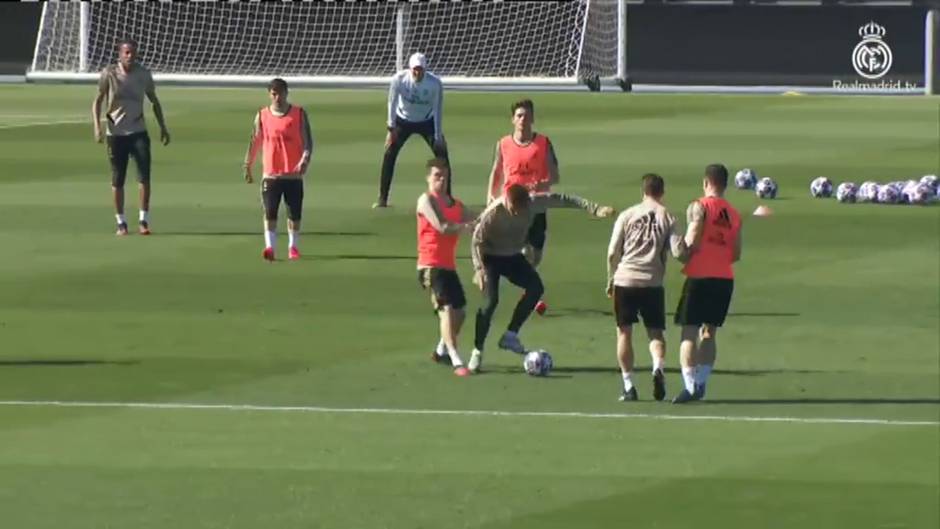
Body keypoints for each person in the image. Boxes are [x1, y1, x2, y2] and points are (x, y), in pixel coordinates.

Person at [468, 184, 615, 373]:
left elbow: (564, 199)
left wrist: (595, 208)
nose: (516, 214)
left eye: (520, 210)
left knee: (536, 288)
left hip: (512, 255)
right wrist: (479, 269)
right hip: (490, 257)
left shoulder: (535, 202)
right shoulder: (494, 212)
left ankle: (511, 335)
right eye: (513, 210)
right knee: (490, 302)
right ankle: (477, 351)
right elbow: (476, 241)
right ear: (507, 201)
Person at [606, 173, 688, 402]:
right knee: (655, 333)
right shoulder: (668, 216)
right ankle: (657, 367)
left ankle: (629, 385)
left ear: (643, 191)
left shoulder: (627, 215)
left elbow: (613, 252)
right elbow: (679, 252)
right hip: (652, 282)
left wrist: (610, 279)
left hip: (625, 279)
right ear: (662, 192)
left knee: (624, 332)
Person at [671, 164, 743, 404]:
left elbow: (690, 241)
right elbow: (736, 254)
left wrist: (679, 250)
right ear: (725, 184)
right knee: (709, 332)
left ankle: (689, 385)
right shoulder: (733, 214)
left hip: (700, 275)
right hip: (724, 277)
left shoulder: (699, 206)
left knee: (689, 331)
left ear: (705, 182)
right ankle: (701, 382)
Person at [486, 99, 559, 314]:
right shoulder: (503, 144)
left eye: (526, 116)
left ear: (533, 119)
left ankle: (528, 282)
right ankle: (530, 290)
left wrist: (543, 184)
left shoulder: (543, 143)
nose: (523, 120)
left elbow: (555, 174)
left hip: (536, 204)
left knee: (535, 252)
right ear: (512, 119)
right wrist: (491, 195)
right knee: (522, 249)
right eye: (519, 116)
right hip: (512, 205)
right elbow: (496, 170)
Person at [92, 38, 170, 236]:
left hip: (138, 132)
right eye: (126, 52)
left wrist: (163, 127)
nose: (130, 56)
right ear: (120, 54)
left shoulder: (143, 74)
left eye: (132, 53)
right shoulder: (108, 73)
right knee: (118, 178)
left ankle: (144, 220)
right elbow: (97, 102)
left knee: (144, 176)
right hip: (116, 133)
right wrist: (97, 127)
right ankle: (121, 223)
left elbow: (154, 101)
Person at [416, 159, 477, 377]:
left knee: (460, 313)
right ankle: (455, 358)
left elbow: (476, 218)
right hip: (430, 265)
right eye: (436, 176)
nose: (441, 180)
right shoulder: (426, 201)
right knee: (447, 310)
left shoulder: (456, 205)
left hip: (448, 266)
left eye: (444, 176)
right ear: (428, 178)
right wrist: (465, 227)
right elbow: (442, 226)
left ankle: (441, 349)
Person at [243, 78, 314, 261]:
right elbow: (255, 142)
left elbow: (308, 141)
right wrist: (248, 165)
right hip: (271, 174)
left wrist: (304, 159)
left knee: (294, 214)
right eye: (274, 94)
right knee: (270, 212)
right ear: (269, 95)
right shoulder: (263, 115)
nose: (277, 97)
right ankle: (270, 247)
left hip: (293, 174)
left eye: (280, 93)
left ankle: (293, 246)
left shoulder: (298, 114)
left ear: (286, 93)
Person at [375, 52, 449, 208]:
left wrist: (437, 135)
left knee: (442, 155)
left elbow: (437, 108)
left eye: (420, 70)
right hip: (403, 121)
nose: (417, 73)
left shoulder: (434, 84)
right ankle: (383, 198)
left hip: (426, 121)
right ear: (410, 69)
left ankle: (447, 198)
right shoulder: (399, 80)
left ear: (425, 69)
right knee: (389, 154)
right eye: (415, 69)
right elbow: (392, 103)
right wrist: (391, 129)